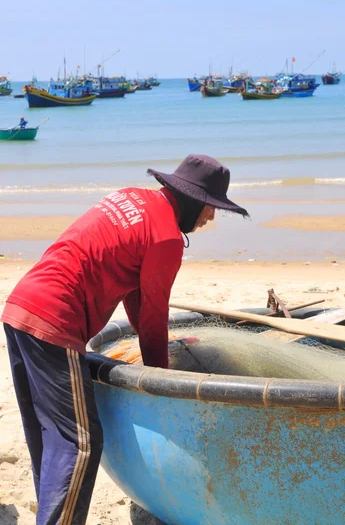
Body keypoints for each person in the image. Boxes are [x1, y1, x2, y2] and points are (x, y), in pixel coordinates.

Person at [1, 154, 248, 525]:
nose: (210, 218)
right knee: (80, 443)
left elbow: (137, 298)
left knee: (48, 432)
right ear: (194, 200)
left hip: (21, 306)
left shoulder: (131, 198)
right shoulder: (167, 237)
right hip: (56, 318)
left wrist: (158, 353)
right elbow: (151, 317)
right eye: (210, 208)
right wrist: (161, 381)